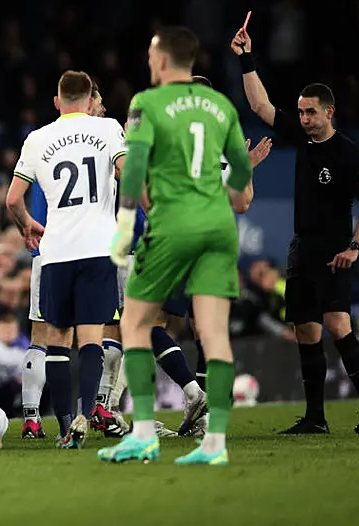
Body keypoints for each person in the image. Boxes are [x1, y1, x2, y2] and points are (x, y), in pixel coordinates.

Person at [98, 27, 252, 466]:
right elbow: (242, 188)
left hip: (171, 225)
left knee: (135, 323)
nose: (149, 62)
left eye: (151, 55)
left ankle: (143, 433)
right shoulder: (222, 107)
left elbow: (133, 174)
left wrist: (127, 224)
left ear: (164, 61)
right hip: (218, 229)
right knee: (214, 333)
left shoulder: (148, 104)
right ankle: (214, 442)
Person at [233, 28, 359, 435]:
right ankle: (315, 418)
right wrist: (245, 58)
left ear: (329, 112)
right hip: (302, 250)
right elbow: (259, 105)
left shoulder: (348, 154)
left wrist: (356, 246)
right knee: (307, 330)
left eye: (310, 112)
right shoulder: (299, 136)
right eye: (301, 111)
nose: (304, 118)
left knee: (338, 326)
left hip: (334, 251)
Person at [5, 70, 124, 449]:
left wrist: (27, 226)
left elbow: (11, 199)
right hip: (99, 247)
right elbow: (126, 172)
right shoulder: (108, 129)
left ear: (57, 102)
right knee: (91, 337)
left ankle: (64, 425)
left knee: (56, 340)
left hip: (56, 251)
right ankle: (87, 415)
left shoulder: (37, 138)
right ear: (90, 101)